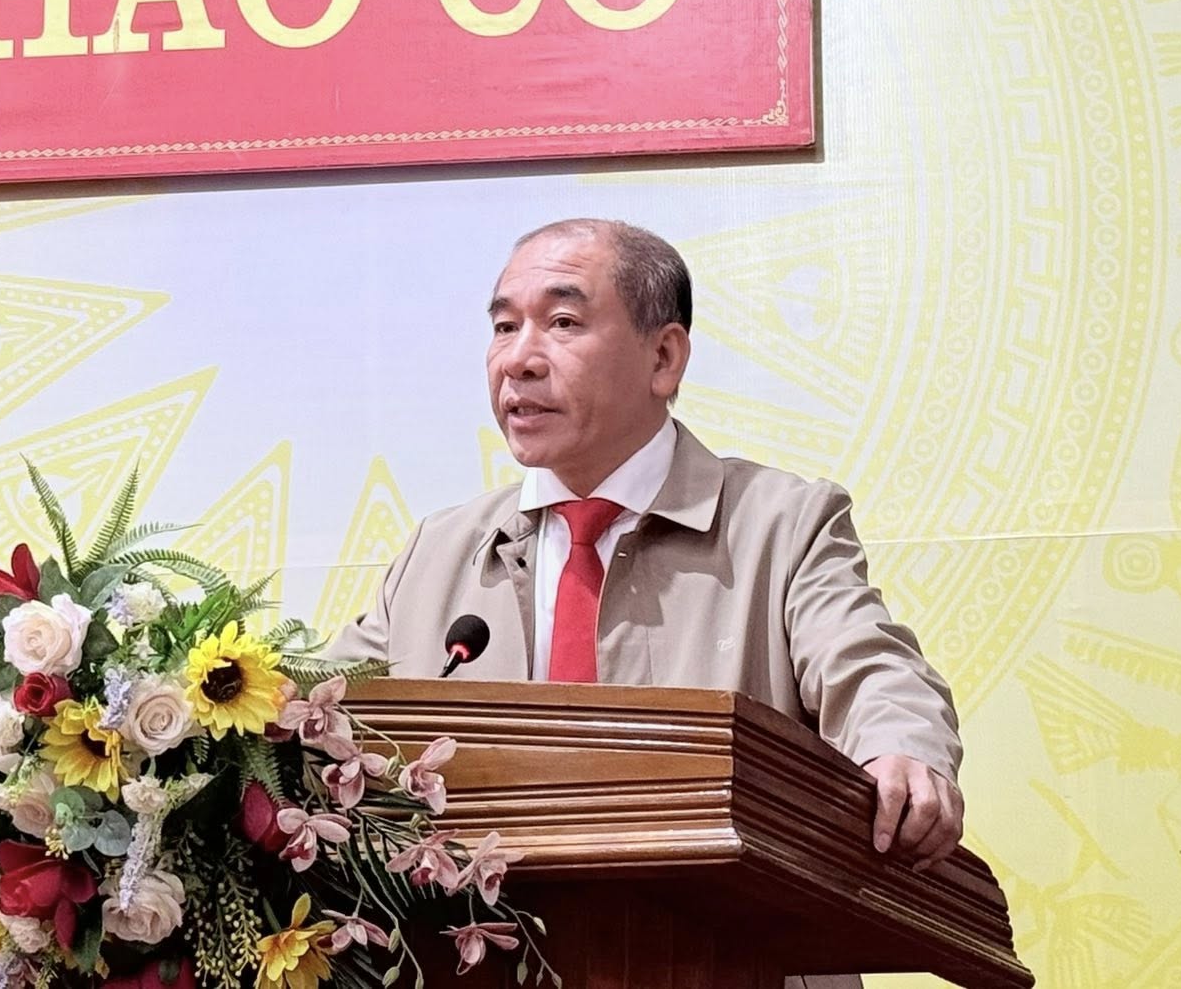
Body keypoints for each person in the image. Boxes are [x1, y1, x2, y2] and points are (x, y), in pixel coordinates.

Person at [329, 219, 964, 980]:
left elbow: (871, 666)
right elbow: (319, 713)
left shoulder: (781, 525)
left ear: (663, 358)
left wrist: (902, 749)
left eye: (563, 322)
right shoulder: (437, 553)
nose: (518, 359)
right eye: (503, 327)